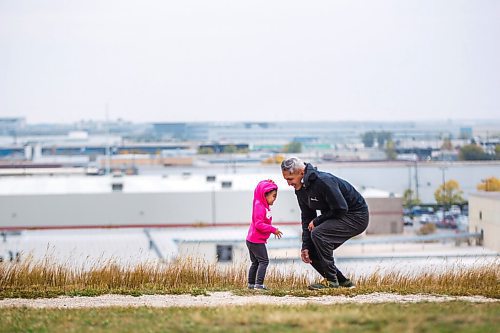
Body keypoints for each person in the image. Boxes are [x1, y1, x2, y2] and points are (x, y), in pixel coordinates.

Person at [281, 157, 369, 289]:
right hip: (337, 215)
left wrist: (317, 220)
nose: (288, 183)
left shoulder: (323, 181)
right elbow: (306, 217)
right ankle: (343, 282)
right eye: (286, 180)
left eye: (290, 179)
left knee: (319, 233)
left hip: (356, 216)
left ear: (301, 172)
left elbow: (341, 208)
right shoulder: (300, 189)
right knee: (311, 251)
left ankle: (331, 281)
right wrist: (305, 246)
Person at [246, 179, 283, 290]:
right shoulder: (260, 206)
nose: (275, 199)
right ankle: (259, 284)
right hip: (256, 241)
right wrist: (273, 229)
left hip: (251, 239)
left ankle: (251, 284)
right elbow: (258, 224)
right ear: (264, 194)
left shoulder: (262, 204)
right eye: (273, 196)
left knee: (255, 262)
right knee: (264, 261)